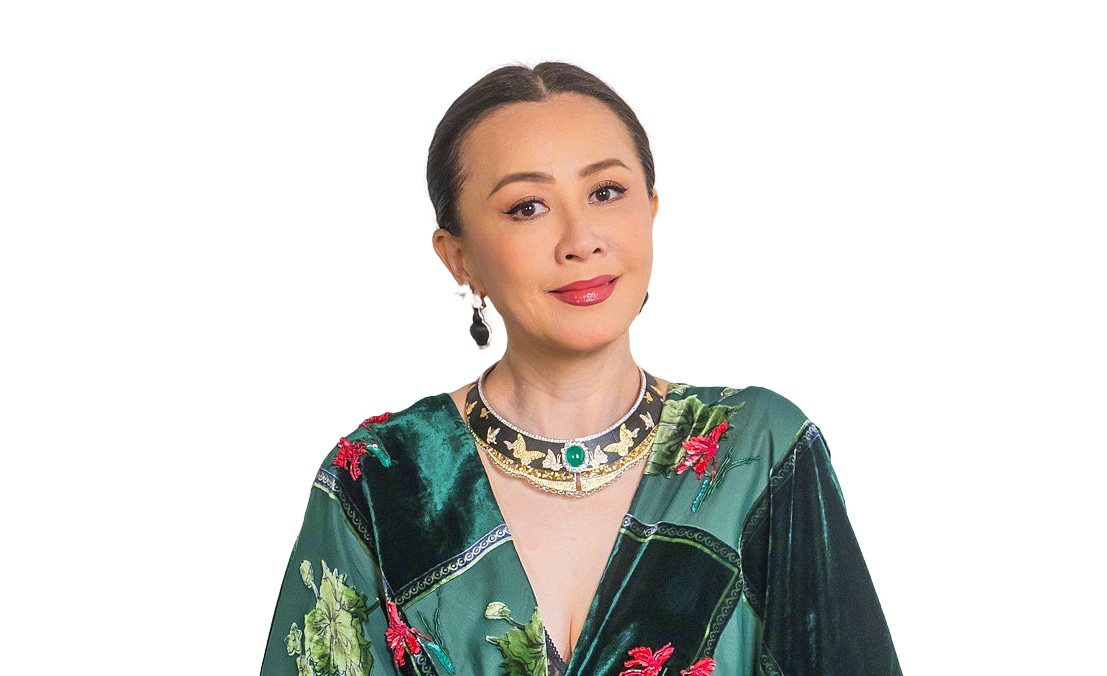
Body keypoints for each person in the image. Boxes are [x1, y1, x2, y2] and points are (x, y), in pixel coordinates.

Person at [259, 56, 900, 676]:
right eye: (527, 207)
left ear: (652, 207)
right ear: (458, 258)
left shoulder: (760, 450)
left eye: (605, 192)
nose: (580, 240)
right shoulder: (379, 479)